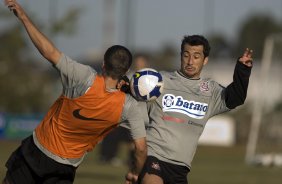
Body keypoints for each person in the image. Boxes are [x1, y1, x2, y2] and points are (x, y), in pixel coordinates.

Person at [3, 0, 146, 184]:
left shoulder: (83, 77)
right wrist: (135, 172)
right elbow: (141, 148)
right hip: (64, 168)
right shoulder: (129, 106)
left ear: (103, 64)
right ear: (126, 71)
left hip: (35, 151)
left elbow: (49, 51)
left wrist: (23, 17)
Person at [137, 35, 253, 184]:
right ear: (181, 56)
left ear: (205, 60)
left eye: (196, 56)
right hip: (153, 156)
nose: (190, 61)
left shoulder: (211, 91)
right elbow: (134, 92)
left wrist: (242, 70)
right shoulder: (160, 81)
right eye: (186, 55)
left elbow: (236, 97)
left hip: (181, 167)